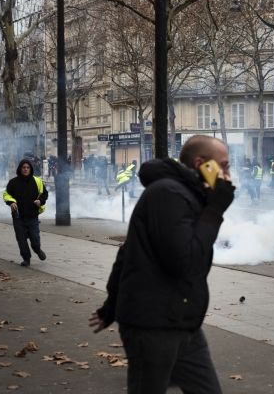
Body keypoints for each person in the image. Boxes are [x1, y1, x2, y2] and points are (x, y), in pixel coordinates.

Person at [89, 135, 235, 393]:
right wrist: (215, 210)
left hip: (181, 321)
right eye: (223, 165)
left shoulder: (187, 193)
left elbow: (127, 254)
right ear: (202, 164)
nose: (228, 174)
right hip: (153, 325)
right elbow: (185, 261)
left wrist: (111, 307)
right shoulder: (169, 193)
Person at [3, 160, 48, 267]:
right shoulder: (13, 182)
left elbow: (45, 194)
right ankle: (26, 258)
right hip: (18, 216)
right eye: (23, 167)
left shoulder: (37, 181)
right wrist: (11, 202)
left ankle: (37, 249)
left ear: (30, 169)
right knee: (21, 239)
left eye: (28, 167)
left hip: (32, 215)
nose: (26, 169)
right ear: (20, 169)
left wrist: (40, 201)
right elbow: (6, 195)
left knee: (35, 237)